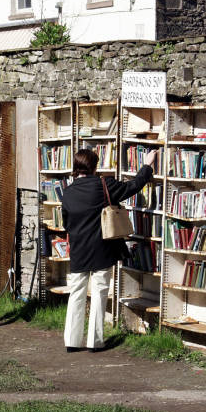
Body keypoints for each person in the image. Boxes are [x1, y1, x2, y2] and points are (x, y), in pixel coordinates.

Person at [61, 148, 157, 352]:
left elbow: (66, 223)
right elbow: (133, 186)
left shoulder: (67, 192)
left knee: (76, 293)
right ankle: (95, 342)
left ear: (76, 168)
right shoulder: (104, 185)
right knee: (99, 293)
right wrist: (147, 165)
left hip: (78, 249)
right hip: (102, 248)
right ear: (94, 166)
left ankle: (71, 341)